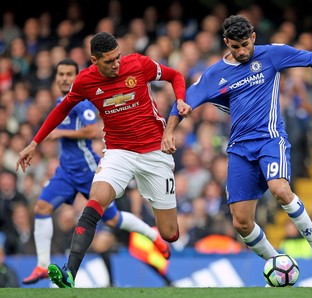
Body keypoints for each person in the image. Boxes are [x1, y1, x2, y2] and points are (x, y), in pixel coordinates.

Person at [163, 15, 312, 277]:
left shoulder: (272, 55)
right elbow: (183, 100)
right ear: (226, 43)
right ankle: (278, 262)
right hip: (240, 149)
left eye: (245, 44)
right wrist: (169, 130)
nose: (242, 51)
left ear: (253, 37)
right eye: (235, 47)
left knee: (279, 189)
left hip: (270, 139)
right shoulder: (214, 75)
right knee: (242, 223)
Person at [16, 32, 191, 288]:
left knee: (170, 234)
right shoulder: (85, 81)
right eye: (109, 61)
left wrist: (180, 100)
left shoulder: (138, 64)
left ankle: (154, 234)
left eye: (118, 57)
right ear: (94, 60)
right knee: (95, 199)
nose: (117, 64)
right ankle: (69, 273)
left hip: (155, 151)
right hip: (118, 151)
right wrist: (34, 142)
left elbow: (175, 75)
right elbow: (62, 108)